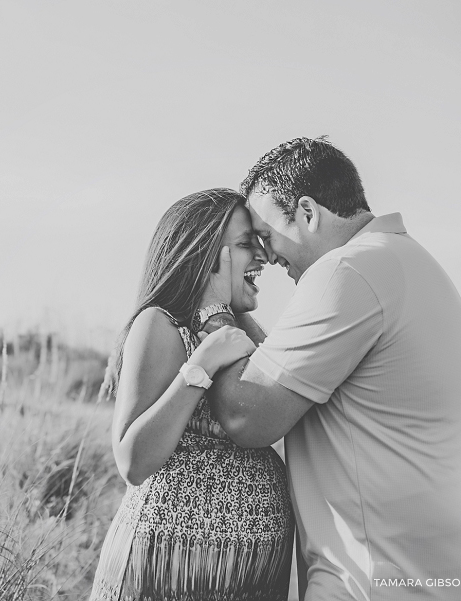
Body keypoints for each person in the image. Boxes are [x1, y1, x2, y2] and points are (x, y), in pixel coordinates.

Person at [204, 137, 461, 600]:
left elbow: (247, 414)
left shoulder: (348, 271)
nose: (266, 255)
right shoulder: (405, 261)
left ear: (307, 212)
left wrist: (215, 306)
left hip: (380, 581)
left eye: (266, 235)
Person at [90, 188, 295, 601]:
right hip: (171, 572)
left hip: (249, 578)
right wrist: (198, 371)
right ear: (203, 255)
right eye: (244, 246)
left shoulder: (236, 330)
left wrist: (222, 313)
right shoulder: (161, 325)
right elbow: (132, 460)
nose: (263, 258)